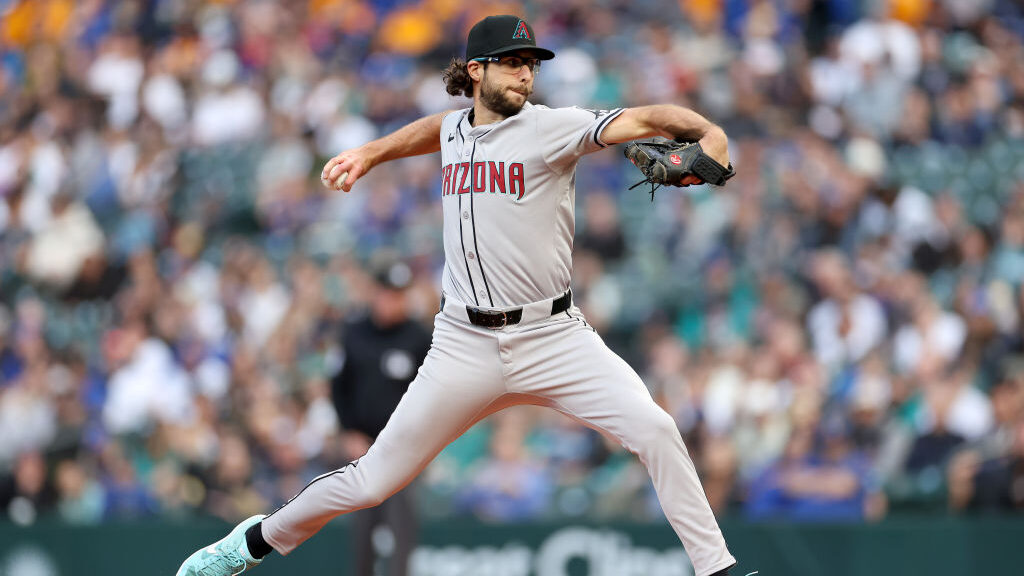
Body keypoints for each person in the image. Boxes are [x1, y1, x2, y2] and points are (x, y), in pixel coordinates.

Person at [177, 14, 739, 576]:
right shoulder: (454, 130)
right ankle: (248, 544)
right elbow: (436, 129)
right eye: (514, 63)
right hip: (463, 343)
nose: (526, 74)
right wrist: (372, 152)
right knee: (373, 480)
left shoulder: (553, 126)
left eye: (531, 65)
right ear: (476, 70)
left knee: (657, 430)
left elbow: (644, 117)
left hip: (553, 335)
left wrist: (709, 134)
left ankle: (716, 570)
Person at [331, 258, 430, 576]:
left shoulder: (419, 336)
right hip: (362, 446)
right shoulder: (354, 332)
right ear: (375, 293)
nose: (393, 301)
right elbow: (338, 386)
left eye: (400, 294)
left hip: (405, 448)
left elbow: (432, 396)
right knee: (363, 529)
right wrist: (348, 431)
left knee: (402, 528)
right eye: (388, 293)